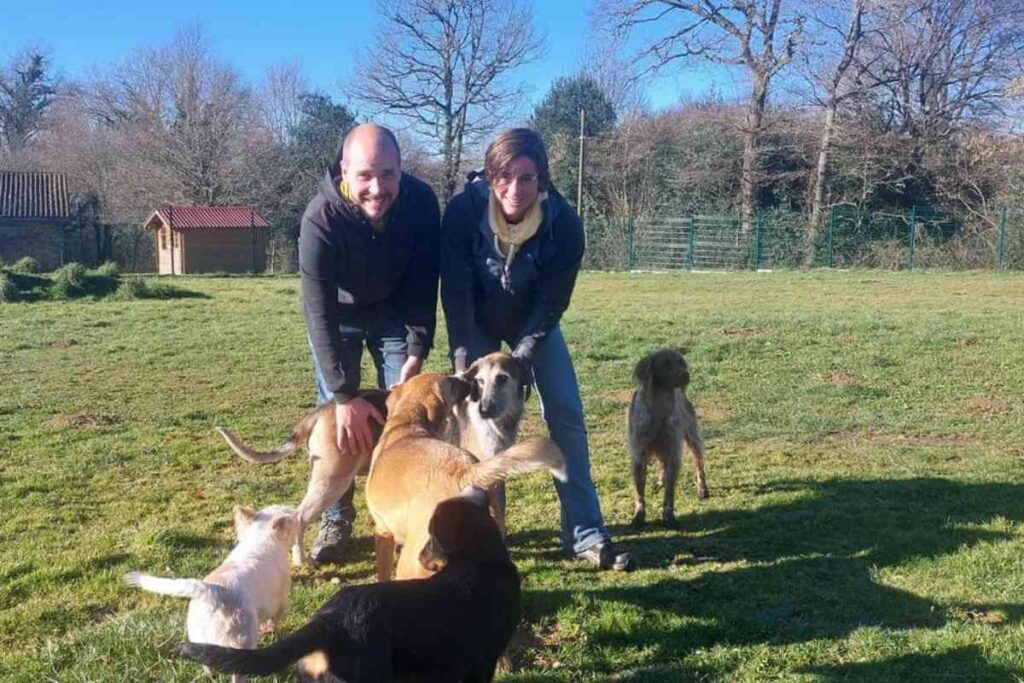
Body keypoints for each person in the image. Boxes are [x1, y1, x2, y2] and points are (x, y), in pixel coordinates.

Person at [440, 128, 631, 571]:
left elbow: (553, 302)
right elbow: (455, 292)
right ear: (489, 177)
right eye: (504, 177)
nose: (515, 189)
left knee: (565, 412)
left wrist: (523, 357)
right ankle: (482, 533)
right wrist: (462, 360)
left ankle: (585, 532)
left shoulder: (563, 223)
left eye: (527, 178)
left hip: (537, 326)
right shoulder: (462, 213)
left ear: (542, 180)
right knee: (478, 424)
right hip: (477, 324)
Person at [300, 123, 440, 564]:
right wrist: (343, 393)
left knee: (410, 416)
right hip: (338, 319)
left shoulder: (420, 204)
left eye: (388, 174)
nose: (377, 188)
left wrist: (418, 348)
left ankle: (409, 513)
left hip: (396, 314)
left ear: (401, 171)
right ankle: (335, 516)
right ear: (344, 171)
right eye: (365, 175)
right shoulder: (319, 219)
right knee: (342, 425)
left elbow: (424, 282)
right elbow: (316, 310)